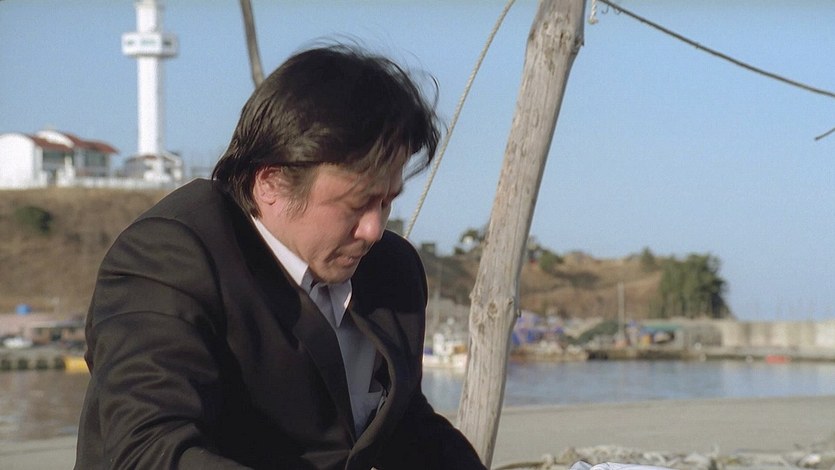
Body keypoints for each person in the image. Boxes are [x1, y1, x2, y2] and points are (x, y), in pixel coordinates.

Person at [74, 44, 486, 469]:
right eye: (357, 203)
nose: (374, 230)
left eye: (386, 202)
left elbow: (403, 425)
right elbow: (147, 452)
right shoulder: (168, 259)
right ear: (271, 183)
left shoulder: (390, 269)